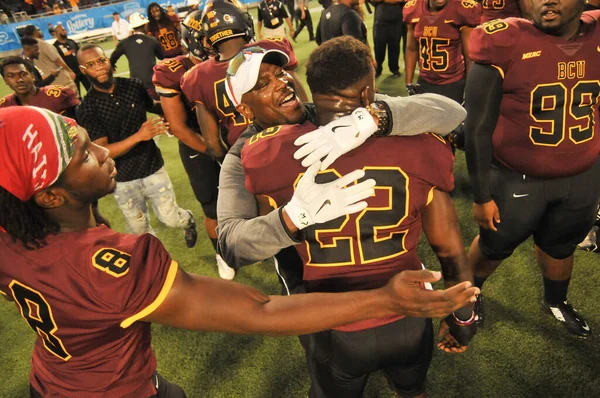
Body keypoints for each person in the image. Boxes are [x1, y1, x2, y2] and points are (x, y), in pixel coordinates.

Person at [0, 106, 480, 398]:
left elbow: (447, 111)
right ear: (47, 196)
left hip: (54, 377)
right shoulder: (112, 265)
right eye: (85, 154)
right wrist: (387, 300)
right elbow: (259, 308)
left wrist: (374, 115)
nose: (105, 153)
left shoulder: (12, 231)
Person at [238, 37, 476, 397]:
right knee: (413, 391)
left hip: (335, 316)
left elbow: (279, 241)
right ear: (368, 93)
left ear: (311, 90)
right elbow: (451, 250)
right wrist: (464, 317)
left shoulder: (267, 154)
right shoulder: (424, 145)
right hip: (410, 309)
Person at [464, 2, 600, 338]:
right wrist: (481, 196)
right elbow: (477, 127)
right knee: (494, 245)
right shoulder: (505, 40)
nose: (546, 1)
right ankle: (467, 297)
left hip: (582, 174)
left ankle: (556, 300)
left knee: (561, 245)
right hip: (517, 176)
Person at [76, 45, 197, 247]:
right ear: (83, 70)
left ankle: (189, 220)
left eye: (101, 60)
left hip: (152, 167)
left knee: (171, 218)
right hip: (121, 179)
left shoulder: (133, 85)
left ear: (108, 61)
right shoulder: (87, 107)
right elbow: (104, 152)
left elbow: (153, 106)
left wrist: (174, 115)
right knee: (141, 231)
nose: (98, 67)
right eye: (90, 64)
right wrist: (140, 136)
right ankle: (159, 266)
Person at [152, 11, 234, 280]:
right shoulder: (172, 72)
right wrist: (217, 153)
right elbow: (178, 127)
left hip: (233, 137)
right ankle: (222, 253)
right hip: (199, 145)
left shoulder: (234, 59)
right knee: (212, 206)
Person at [180, 0, 308, 159]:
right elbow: (303, 105)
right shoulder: (271, 48)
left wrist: (233, 163)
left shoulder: (198, 76)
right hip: (294, 140)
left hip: (247, 154)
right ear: (240, 20)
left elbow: (214, 145)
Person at [403, 0, 481, 103]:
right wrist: (408, 82)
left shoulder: (461, 10)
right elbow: (411, 49)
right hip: (424, 81)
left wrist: (470, 89)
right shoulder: (414, 8)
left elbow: (470, 57)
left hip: (452, 83)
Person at [110, 13, 164, 101]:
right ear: (145, 25)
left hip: (134, 84)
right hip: (151, 81)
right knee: (159, 107)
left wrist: (112, 65)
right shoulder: (152, 40)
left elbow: (113, 57)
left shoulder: (125, 43)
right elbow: (161, 56)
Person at [0, 56, 78, 118]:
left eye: (23, 74)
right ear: (5, 80)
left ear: (32, 76)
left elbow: (81, 123)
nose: (19, 80)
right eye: (11, 76)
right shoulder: (4, 105)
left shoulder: (58, 94)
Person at [22, 24, 78, 94]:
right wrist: (70, 71)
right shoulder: (41, 44)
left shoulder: (28, 49)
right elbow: (56, 59)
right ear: (35, 32)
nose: (41, 31)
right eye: (38, 30)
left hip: (49, 83)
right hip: (62, 81)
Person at [53, 23, 90, 96]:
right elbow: (58, 62)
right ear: (57, 33)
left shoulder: (71, 42)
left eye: (65, 30)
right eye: (62, 30)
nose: (65, 31)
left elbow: (80, 53)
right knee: (76, 94)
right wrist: (68, 72)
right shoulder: (55, 47)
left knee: (90, 88)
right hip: (70, 74)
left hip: (81, 70)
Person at [371, 0, 404, 77]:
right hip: (381, 21)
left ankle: (394, 69)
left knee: (395, 46)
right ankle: (377, 69)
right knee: (379, 46)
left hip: (396, 20)